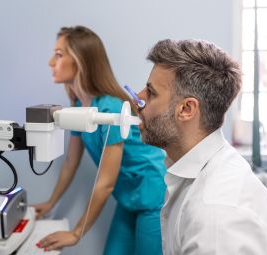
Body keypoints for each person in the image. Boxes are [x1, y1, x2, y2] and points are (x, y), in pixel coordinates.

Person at [136, 39, 267, 254]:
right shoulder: (196, 170)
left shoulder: (216, 213)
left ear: (187, 109)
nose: (139, 98)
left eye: (151, 93)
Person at [34, 26, 167, 254]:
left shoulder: (110, 108)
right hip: (127, 198)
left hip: (152, 196)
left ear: (80, 61)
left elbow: (105, 183)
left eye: (58, 55)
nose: (50, 62)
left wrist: (76, 233)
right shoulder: (78, 107)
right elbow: (70, 163)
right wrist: (51, 202)